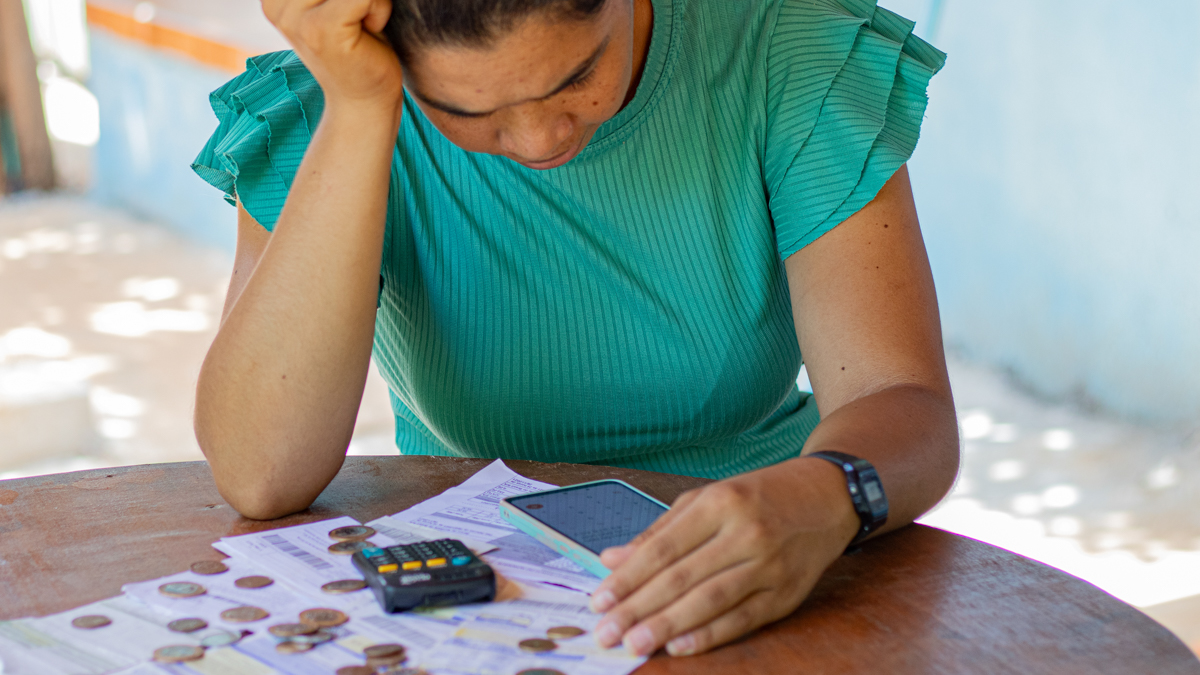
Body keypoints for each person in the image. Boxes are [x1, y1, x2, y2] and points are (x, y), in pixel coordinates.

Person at [191, 0, 959, 658]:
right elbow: (261, 473)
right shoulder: (329, 111)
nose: (538, 140)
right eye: (469, 111)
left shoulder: (782, 57)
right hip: (473, 608)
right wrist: (359, 108)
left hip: (770, 571)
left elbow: (906, 402)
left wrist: (824, 496)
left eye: (578, 77)